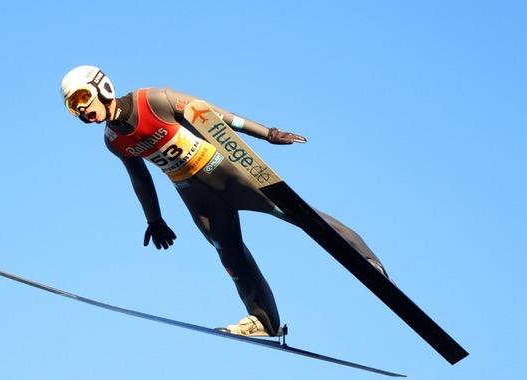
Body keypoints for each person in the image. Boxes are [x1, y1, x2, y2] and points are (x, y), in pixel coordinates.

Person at [60, 65, 388, 337]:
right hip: (195, 195)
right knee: (229, 253)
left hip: (228, 174)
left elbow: (212, 114)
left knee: (302, 217)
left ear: (102, 87)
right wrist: (153, 219)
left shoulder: (153, 99)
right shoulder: (114, 140)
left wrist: (268, 133)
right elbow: (139, 177)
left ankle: (365, 260)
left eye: (83, 98)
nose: (81, 110)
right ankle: (264, 320)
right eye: (73, 107)